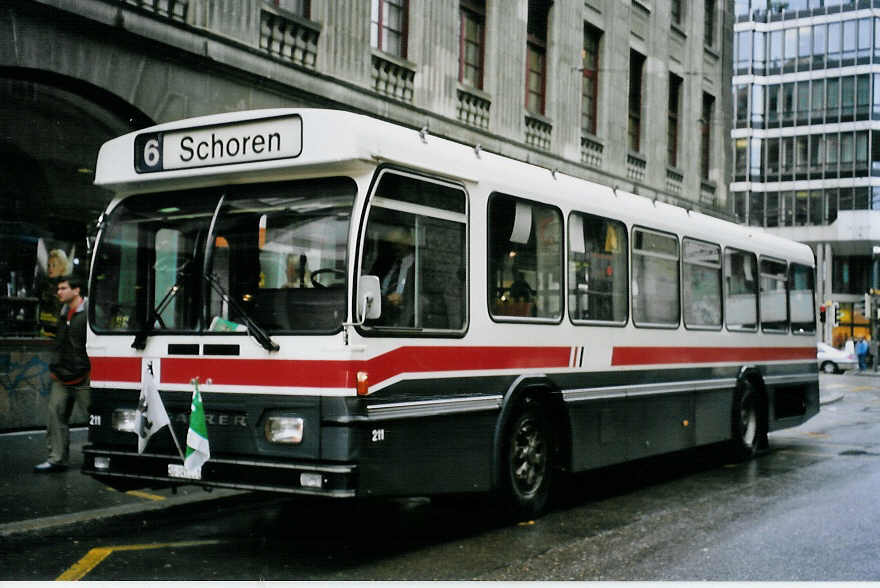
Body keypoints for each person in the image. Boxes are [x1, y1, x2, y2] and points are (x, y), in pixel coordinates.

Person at [34, 276, 91, 473]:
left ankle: (101, 456)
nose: (59, 292)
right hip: (62, 374)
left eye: (63, 288)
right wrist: (55, 366)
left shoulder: (90, 313)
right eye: (58, 288)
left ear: (76, 290)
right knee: (55, 415)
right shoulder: (63, 312)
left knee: (94, 417)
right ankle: (57, 459)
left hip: (84, 375)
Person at [372, 227, 415, 326]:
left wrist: (403, 298)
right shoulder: (385, 264)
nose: (395, 246)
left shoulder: (418, 266)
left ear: (409, 242)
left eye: (398, 242)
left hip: (404, 322)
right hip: (380, 319)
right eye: (392, 243)